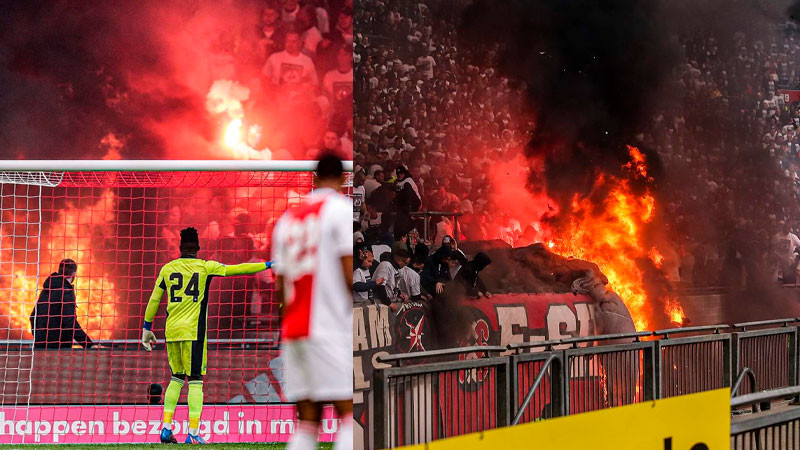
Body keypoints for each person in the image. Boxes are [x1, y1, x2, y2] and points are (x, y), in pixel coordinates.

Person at [141, 227, 271, 444]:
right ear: (198, 248)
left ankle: (166, 428)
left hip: (171, 331)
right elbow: (239, 269)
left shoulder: (167, 268)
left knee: (176, 377)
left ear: (180, 248)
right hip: (193, 333)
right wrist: (268, 264)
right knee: (195, 380)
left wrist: (147, 328)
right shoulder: (205, 267)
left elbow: (154, 299)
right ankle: (192, 434)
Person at [271, 152, 353, 450]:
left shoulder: (286, 220)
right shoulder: (340, 209)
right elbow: (347, 268)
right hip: (328, 325)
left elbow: (279, 283)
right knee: (348, 415)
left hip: (295, 328)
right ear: (344, 179)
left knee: (307, 422)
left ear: (313, 179)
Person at [30, 259, 93, 349]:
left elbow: (33, 316)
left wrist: (39, 337)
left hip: (40, 347)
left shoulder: (46, 290)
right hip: (58, 349)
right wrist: (88, 344)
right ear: (74, 274)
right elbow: (69, 323)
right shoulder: (66, 291)